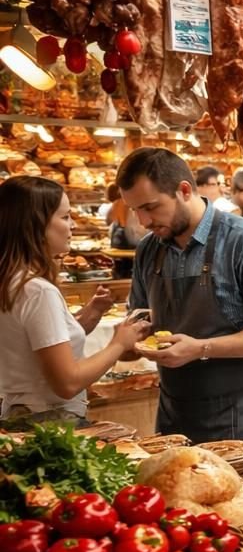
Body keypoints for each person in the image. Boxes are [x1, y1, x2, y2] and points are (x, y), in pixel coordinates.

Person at [119, 148, 243, 485]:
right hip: (177, 410)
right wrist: (131, 342)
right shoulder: (149, 249)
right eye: (135, 210)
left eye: (150, 207)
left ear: (185, 190)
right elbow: (141, 318)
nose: (143, 221)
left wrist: (200, 348)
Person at [0, 177, 150, 427]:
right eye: (65, 217)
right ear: (36, 225)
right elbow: (67, 383)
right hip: (49, 424)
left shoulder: (11, 281)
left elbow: (35, 345)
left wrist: (85, 316)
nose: (72, 225)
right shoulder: (38, 291)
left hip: (17, 418)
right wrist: (118, 344)